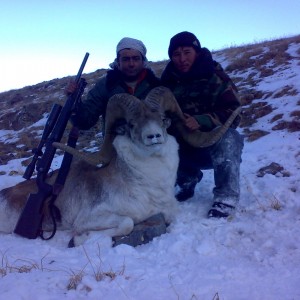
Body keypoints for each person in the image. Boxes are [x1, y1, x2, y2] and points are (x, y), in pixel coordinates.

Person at [161, 31, 244, 218]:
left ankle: (226, 197)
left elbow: (235, 113)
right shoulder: (167, 82)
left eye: (187, 52)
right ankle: (186, 180)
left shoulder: (216, 77)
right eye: (176, 54)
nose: (182, 59)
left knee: (230, 137)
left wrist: (202, 120)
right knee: (159, 138)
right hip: (182, 144)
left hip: (210, 145)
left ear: (196, 52)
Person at [69, 37, 160, 130]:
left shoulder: (156, 85)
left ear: (143, 61)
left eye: (136, 58)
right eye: (125, 59)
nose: (131, 64)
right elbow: (85, 122)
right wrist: (75, 101)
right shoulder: (105, 85)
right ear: (118, 62)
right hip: (116, 144)